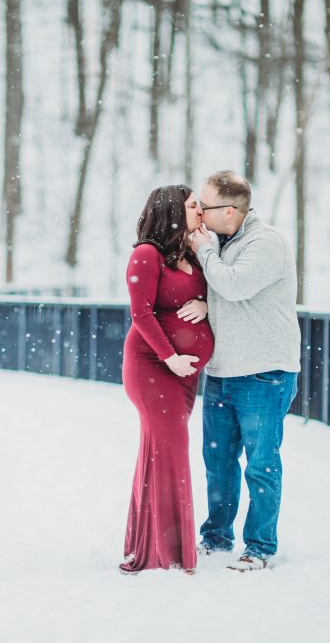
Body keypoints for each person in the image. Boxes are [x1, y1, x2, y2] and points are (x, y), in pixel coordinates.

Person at [188, 170, 301, 572]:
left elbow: (234, 285)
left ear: (231, 211)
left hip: (264, 371)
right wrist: (206, 304)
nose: (199, 212)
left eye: (206, 205)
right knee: (217, 461)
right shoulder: (221, 242)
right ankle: (216, 536)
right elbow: (220, 289)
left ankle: (260, 546)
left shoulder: (265, 242)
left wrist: (203, 253)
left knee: (261, 464)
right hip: (222, 370)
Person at [119, 185, 215, 575]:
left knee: (161, 453)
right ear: (173, 210)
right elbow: (141, 314)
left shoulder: (192, 252)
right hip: (152, 367)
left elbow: (213, 293)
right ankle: (167, 553)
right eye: (194, 206)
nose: (201, 211)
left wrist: (207, 302)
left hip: (181, 375)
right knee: (170, 451)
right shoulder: (147, 255)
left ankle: (152, 543)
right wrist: (171, 357)